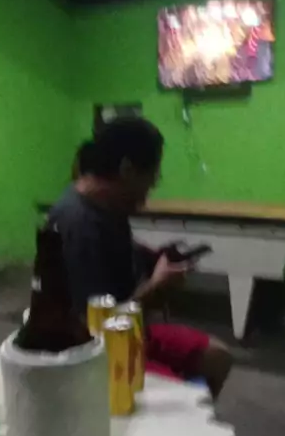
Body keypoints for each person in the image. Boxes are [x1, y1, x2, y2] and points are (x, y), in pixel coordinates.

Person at [50, 118, 233, 398]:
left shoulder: (106, 205)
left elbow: (118, 248)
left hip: (130, 330)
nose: (151, 190)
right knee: (185, 397)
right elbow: (93, 328)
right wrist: (155, 289)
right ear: (126, 169)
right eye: (152, 177)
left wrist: (155, 257)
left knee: (217, 357)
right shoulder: (77, 224)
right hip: (93, 351)